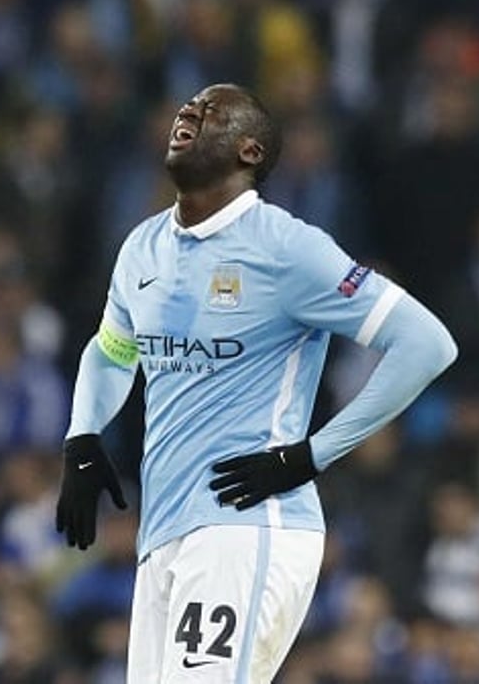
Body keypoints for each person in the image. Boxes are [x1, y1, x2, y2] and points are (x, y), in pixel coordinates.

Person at [54, 83, 457, 682]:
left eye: (209, 111)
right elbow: (113, 352)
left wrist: (312, 454)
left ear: (249, 151)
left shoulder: (287, 248)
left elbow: (426, 343)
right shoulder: (144, 246)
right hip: (163, 530)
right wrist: (82, 436)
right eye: (186, 107)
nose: (187, 112)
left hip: (247, 525)